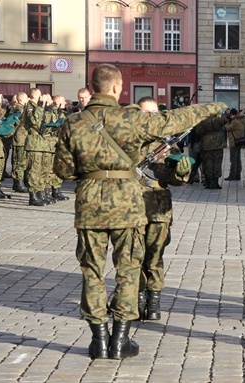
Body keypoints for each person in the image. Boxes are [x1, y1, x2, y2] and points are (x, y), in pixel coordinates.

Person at [53, 63, 226, 360]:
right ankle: (121, 340)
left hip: (90, 203)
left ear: (92, 87)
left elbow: (63, 170)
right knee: (128, 271)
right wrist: (212, 107)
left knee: (92, 271)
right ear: (118, 87)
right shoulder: (131, 119)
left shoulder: (73, 123)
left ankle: (99, 341)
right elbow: (173, 119)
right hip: (127, 203)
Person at [135, 97, 192, 320]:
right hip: (132, 207)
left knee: (155, 256)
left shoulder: (168, 144)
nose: (149, 117)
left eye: (153, 113)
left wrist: (181, 172)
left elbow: (175, 180)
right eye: (144, 112)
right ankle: (137, 300)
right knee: (133, 256)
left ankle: (154, 301)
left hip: (159, 209)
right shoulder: (128, 140)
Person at [195, 112, 228, 189]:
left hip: (207, 142)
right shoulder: (219, 117)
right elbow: (226, 121)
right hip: (218, 142)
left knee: (207, 162)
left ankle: (209, 182)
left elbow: (198, 131)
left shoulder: (204, 118)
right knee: (217, 162)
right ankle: (215, 182)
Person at [9, 92, 29, 193]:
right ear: (22, 99)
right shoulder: (18, 109)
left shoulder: (20, 108)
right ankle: (18, 183)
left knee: (21, 161)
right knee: (19, 162)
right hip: (20, 139)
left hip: (22, 138)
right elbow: (15, 123)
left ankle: (19, 182)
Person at [224, 108, 245, 181]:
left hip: (234, 142)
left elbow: (227, 128)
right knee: (238, 159)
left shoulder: (235, 122)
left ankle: (232, 174)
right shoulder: (241, 120)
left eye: (231, 115)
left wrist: (227, 122)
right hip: (239, 142)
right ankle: (238, 174)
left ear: (233, 115)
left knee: (233, 159)